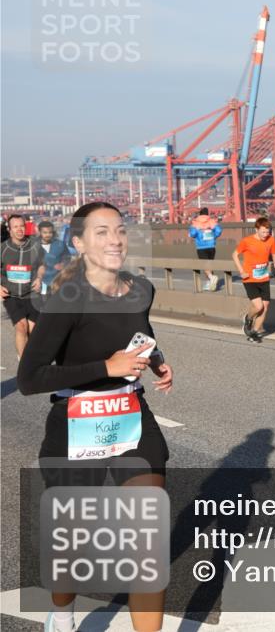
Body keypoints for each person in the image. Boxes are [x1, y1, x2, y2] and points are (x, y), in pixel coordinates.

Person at [17, 202, 173, 632]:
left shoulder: (141, 289)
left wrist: (155, 358)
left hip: (130, 417)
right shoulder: (66, 301)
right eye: (101, 232)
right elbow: (29, 378)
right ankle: (63, 611)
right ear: (79, 243)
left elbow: (139, 334)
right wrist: (107, 366)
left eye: (119, 230)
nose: (115, 240)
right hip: (75, 423)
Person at [2, 213, 46, 358]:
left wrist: (39, 278)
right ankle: (23, 363)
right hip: (12, 295)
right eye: (15, 227)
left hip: (32, 294)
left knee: (33, 330)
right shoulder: (3, 248)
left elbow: (42, 265)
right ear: (9, 230)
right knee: (21, 326)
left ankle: (32, 361)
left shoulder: (35, 246)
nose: (19, 229)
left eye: (22, 226)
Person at [233, 217, 275, 343]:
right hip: (250, 279)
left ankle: (254, 332)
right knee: (258, 306)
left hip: (263, 278)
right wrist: (241, 271)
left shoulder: (271, 239)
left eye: (267, 232)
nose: (266, 234)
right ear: (256, 229)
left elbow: (274, 252)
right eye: (263, 232)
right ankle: (248, 318)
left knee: (265, 307)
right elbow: (235, 255)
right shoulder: (247, 241)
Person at [189, 207, 222, 291]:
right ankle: (210, 283)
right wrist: (213, 237)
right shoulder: (212, 221)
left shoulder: (195, 222)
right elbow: (218, 231)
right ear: (207, 214)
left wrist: (196, 231)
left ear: (200, 214)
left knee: (204, 265)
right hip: (211, 246)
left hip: (201, 247)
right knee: (209, 265)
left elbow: (193, 234)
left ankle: (211, 277)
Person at [37, 220, 71, 297]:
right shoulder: (33, 245)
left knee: (54, 300)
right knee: (42, 299)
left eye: (50, 232)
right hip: (39, 281)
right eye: (45, 232)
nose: (48, 235)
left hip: (56, 279)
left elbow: (67, 257)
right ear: (40, 232)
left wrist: (63, 264)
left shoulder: (60, 244)